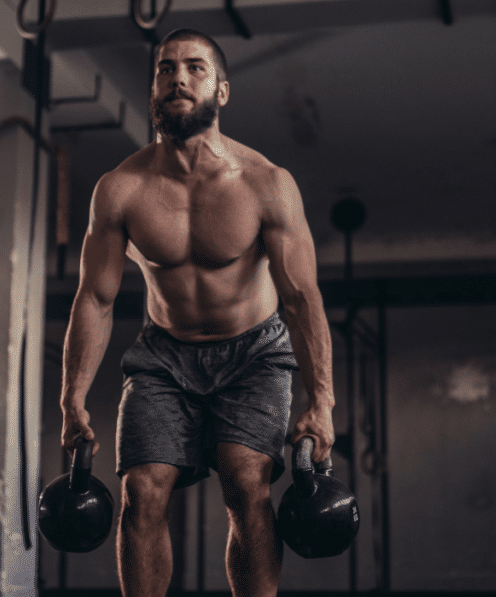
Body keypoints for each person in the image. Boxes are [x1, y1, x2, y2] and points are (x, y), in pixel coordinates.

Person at [59, 28, 335, 597]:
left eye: (194, 68)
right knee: (142, 491)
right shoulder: (120, 189)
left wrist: (322, 403)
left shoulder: (267, 185)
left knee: (246, 481)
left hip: (254, 354)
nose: (177, 78)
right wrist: (72, 398)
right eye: (165, 69)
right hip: (164, 354)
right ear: (154, 87)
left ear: (222, 90)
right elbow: (95, 297)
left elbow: (302, 299)